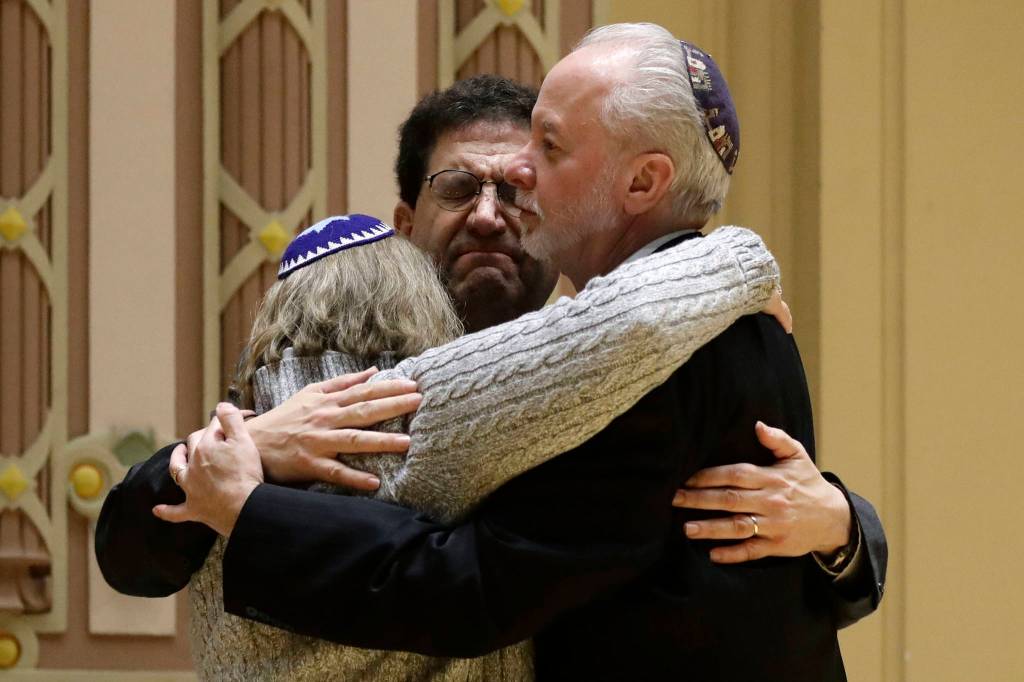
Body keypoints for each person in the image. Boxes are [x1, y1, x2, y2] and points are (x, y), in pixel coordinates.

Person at [96, 29, 886, 679]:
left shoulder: (639, 353)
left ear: (639, 183)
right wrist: (239, 457)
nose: (497, 205)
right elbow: (139, 549)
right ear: (402, 225)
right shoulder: (335, 348)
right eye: (456, 187)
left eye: (531, 168)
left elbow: (472, 583)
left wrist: (846, 528)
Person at [188, 211, 782, 679]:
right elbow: (609, 335)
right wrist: (739, 257)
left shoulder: (217, 457)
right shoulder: (410, 407)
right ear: (420, 303)